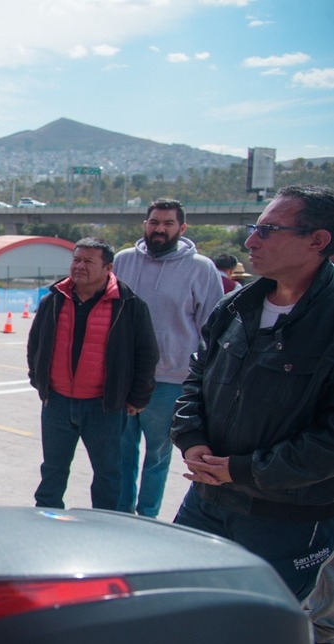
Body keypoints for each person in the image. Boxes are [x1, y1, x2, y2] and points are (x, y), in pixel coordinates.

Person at [172, 184, 334, 600]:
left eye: (267, 230)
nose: (250, 242)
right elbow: (196, 379)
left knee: (257, 634)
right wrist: (192, 441)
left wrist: (243, 471)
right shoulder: (236, 306)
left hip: (284, 522)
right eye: (253, 228)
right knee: (178, 608)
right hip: (206, 499)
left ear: (317, 241)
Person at [112, 198, 224, 518]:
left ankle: (147, 516)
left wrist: (201, 381)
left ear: (182, 228)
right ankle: (119, 515)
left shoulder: (200, 268)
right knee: (121, 453)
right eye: (154, 222)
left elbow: (212, 329)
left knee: (158, 456)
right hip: (124, 378)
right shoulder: (123, 261)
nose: (159, 229)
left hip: (170, 381)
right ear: (144, 224)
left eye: (168, 223)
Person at [28, 237, 158, 511]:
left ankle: (103, 526)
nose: (80, 266)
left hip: (104, 407)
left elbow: (146, 355)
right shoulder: (54, 300)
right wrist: (39, 381)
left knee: (108, 474)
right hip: (58, 403)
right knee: (53, 469)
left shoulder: (129, 304)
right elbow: (36, 343)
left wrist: (137, 397)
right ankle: (45, 519)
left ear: (108, 267)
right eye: (76, 259)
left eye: (89, 261)